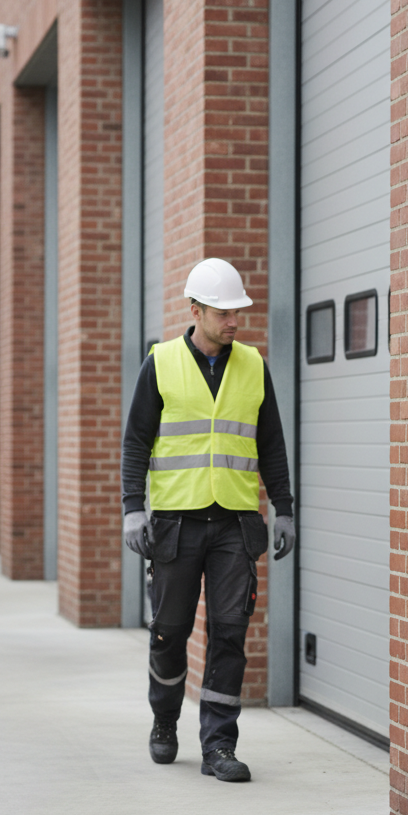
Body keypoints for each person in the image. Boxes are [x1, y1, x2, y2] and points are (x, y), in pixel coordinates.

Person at [121, 257, 295, 783]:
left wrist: (283, 508)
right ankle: (164, 720)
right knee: (169, 632)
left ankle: (219, 744)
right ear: (195, 310)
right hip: (175, 524)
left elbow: (272, 446)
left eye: (238, 311)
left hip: (235, 526)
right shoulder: (161, 363)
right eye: (223, 312)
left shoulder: (253, 365)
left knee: (229, 634)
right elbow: (136, 442)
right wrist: (133, 510)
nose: (234, 321)